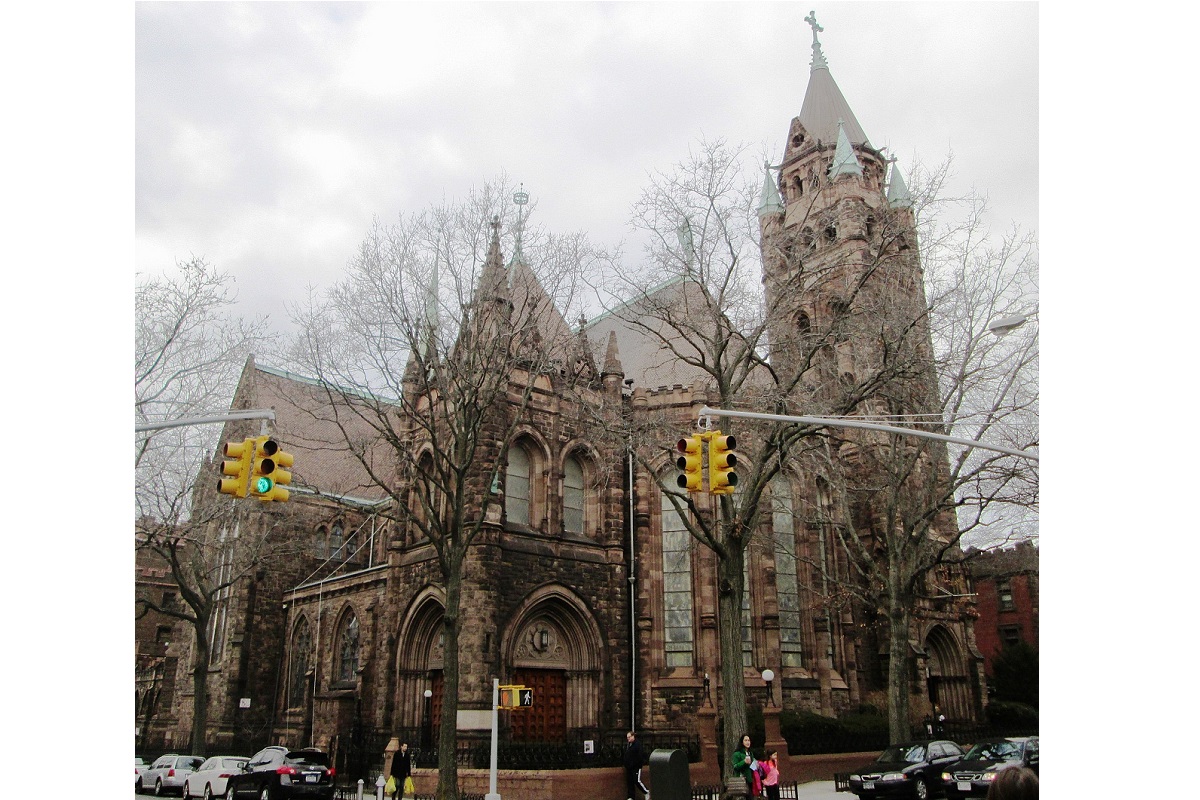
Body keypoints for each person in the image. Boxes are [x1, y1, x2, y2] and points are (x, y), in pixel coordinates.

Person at [623, 730, 650, 800]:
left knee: (637, 780)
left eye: (629, 737)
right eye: (627, 737)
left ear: (633, 736)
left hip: (636, 767)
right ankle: (631, 797)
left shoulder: (637, 745)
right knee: (630, 782)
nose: (628, 739)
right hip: (629, 767)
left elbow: (640, 756)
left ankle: (646, 792)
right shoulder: (629, 745)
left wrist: (636, 764)